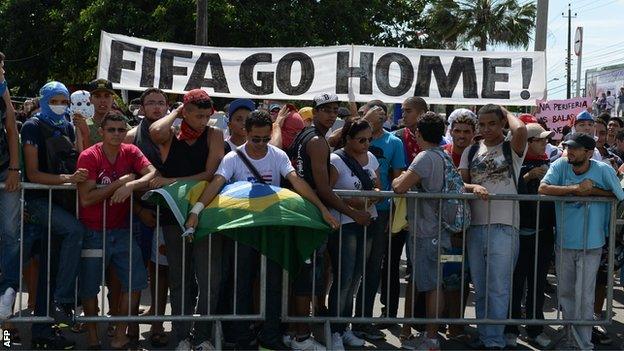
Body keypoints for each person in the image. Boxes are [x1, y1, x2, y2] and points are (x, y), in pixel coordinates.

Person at [184, 110, 338, 350]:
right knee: (241, 283)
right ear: (246, 133)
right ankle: (240, 336)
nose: (261, 144)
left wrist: (321, 209)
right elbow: (216, 183)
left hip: (272, 232)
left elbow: (296, 181)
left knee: (273, 285)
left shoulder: (277, 155)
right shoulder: (232, 158)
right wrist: (196, 211)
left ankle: (270, 336)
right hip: (243, 232)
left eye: (266, 139)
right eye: (256, 139)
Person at [288, 93, 371, 350]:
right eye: (326, 110)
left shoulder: (308, 134)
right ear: (315, 111)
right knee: (307, 276)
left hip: (304, 210)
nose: (332, 114)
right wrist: (352, 212)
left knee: (310, 275)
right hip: (311, 213)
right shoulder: (317, 142)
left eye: (336, 109)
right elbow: (324, 189)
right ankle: (300, 336)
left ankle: (301, 331)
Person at [148, 89, 224, 350]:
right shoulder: (171, 135)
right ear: (186, 112)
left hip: (206, 214)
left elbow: (209, 174)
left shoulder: (215, 134)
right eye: (199, 115)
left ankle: (202, 335)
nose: (204, 121)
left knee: (208, 279)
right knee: (179, 279)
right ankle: (181, 335)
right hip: (173, 217)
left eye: (207, 115)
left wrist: (170, 181)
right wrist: (175, 113)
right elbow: (155, 132)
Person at [76, 113, 156, 349]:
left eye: (121, 130)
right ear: (101, 131)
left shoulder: (130, 151)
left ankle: (120, 334)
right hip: (92, 231)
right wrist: (117, 185)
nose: (117, 134)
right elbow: (87, 198)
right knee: (90, 287)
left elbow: (152, 173)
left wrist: (131, 184)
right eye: (111, 130)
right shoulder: (89, 156)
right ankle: (92, 336)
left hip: (122, 230)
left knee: (136, 281)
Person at [539, 132, 624, 349]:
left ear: (588, 152)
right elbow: (543, 188)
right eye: (568, 147)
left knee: (584, 296)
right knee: (566, 293)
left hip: (592, 244)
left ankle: (584, 343)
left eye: (575, 148)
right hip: (564, 242)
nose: (570, 151)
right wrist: (576, 190)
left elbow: (618, 196)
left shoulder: (603, 169)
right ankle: (570, 339)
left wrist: (593, 190)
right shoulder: (560, 165)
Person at [21, 81, 87, 349]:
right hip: (39, 203)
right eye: (55, 99)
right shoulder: (32, 126)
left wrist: (82, 133)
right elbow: (34, 174)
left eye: (64, 100)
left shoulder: (68, 126)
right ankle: (61, 302)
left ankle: (44, 332)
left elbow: (79, 161)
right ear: (44, 99)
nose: (60, 104)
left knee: (51, 268)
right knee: (73, 232)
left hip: (62, 203)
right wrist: (67, 179)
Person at [458, 104, 527, 349]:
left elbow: (521, 130)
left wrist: (504, 109)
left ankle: (494, 340)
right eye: (482, 124)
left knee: (498, 286)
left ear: (502, 124)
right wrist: (473, 187)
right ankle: (487, 335)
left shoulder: (512, 146)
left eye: (492, 123)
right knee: (481, 286)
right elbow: (460, 184)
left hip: (505, 225)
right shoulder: (471, 149)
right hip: (475, 226)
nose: (486, 129)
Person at [392, 112, 456, 351]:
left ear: (419, 133)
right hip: (439, 229)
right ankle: (430, 336)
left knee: (431, 285)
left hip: (428, 231)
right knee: (433, 283)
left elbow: (399, 186)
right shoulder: (444, 155)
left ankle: (430, 338)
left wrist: (401, 178)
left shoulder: (425, 157)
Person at [353, 100, 405, 341]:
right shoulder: (352, 135)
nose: (380, 116)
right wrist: (363, 121)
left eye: (383, 113)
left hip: (380, 212)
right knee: (348, 269)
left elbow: (397, 181)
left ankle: (363, 320)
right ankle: (340, 323)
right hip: (349, 210)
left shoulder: (394, 142)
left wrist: (391, 217)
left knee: (373, 269)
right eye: (375, 113)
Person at [327, 118, 380, 350]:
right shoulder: (335, 160)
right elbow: (330, 193)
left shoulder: (372, 158)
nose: (366, 144)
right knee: (344, 277)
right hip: (345, 224)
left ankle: (344, 327)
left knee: (356, 276)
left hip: (368, 221)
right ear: (348, 139)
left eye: (369, 139)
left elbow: (379, 187)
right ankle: (334, 330)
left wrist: (369, 199)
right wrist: (356, 205)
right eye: (361, 139)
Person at [126, 87, 171, 347]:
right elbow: (125, 179)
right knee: (133, 271)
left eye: (161, 103)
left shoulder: (174, 136)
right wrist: (139, 211)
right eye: (151, 103)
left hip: (165, 214)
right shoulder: (131, 136)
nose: (156, 107)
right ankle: (130, 327)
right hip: (137, 213)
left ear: (167, 106)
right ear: (142, 108)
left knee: (160, 271)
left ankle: (157, 324)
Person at [503, 123, 555, 348]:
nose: (545, 143)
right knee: (515, 284)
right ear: (527, 143)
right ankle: (510, 329)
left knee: (537, 284)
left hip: (542, 235)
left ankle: (535, 330)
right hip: (516, 233)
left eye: (546, 139)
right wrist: (527, 177)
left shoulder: (552, 165)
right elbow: (506, 191)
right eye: (540, 139)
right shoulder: (511, 163)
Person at [380, 96, 427, 340]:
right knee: (390, 261)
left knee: (417, 266)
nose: (403, 115)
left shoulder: (436, 140)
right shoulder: (397, 137)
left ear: (421, 113)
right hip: (397, 208)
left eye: (408, 111)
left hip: (426, 211)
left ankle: (418, 316)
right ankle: (389, 310)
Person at [0, 51, 22, 322]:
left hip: (4, 167)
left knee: (9, 231)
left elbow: (11, 126)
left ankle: (7, 291)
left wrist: (15, 169)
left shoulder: (2, 87)